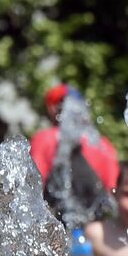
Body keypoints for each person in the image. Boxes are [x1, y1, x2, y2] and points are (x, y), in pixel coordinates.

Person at [30, 84, 120, 219]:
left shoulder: (44, 139)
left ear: (53, 109)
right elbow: (113, 190)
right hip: (97, 225)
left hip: (61, 223)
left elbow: (32, 187)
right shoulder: (103, 144)